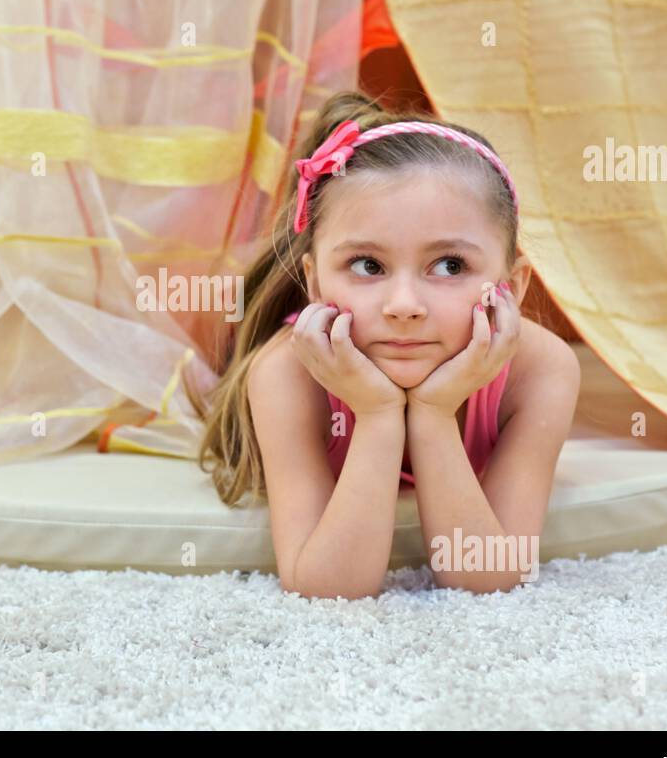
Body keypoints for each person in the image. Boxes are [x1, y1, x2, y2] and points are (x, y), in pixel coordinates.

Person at [187, 90, 581, 599]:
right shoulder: (286, 375)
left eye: (450, 266)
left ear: (513, 286)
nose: (404, 305)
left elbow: (487, 576)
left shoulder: (541, 370)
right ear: (314, 283)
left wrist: (435, 413)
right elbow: (327, 587)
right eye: (368, 266)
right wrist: (374, 415)